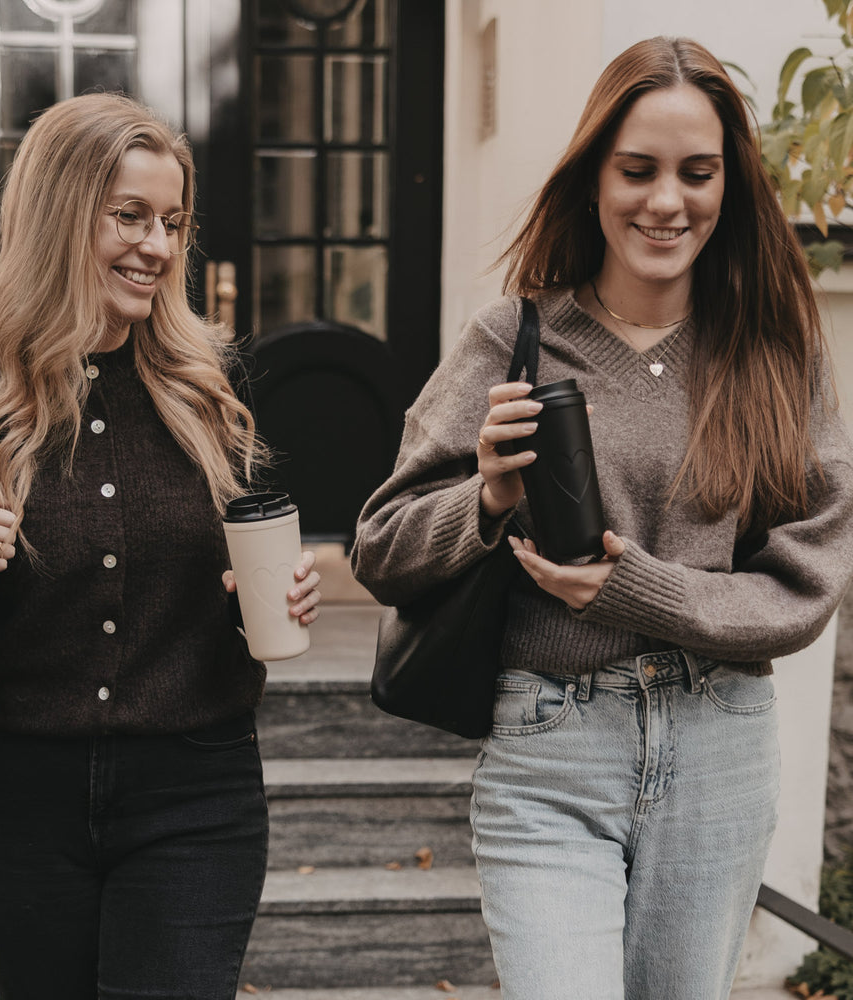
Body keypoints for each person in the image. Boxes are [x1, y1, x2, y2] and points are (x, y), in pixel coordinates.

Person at [351, 35, 853, 1000]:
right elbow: (382, 546)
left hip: (720, 745)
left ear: (729, 187)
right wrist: (489, 497)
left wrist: (636, 588)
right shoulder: (516, 339)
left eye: (696, 174)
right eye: (638, 171)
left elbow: (806, 584)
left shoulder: (775, 350)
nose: (667, 202)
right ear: (593, 178)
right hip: (553, 742)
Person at [0, 93, 321, 1000]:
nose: (158, 246)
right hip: (15, 802)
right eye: (131, 217)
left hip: (197, 790)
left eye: (174, 223)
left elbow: (240, 555)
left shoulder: (209, 386)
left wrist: (267, 594)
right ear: (62, 216)